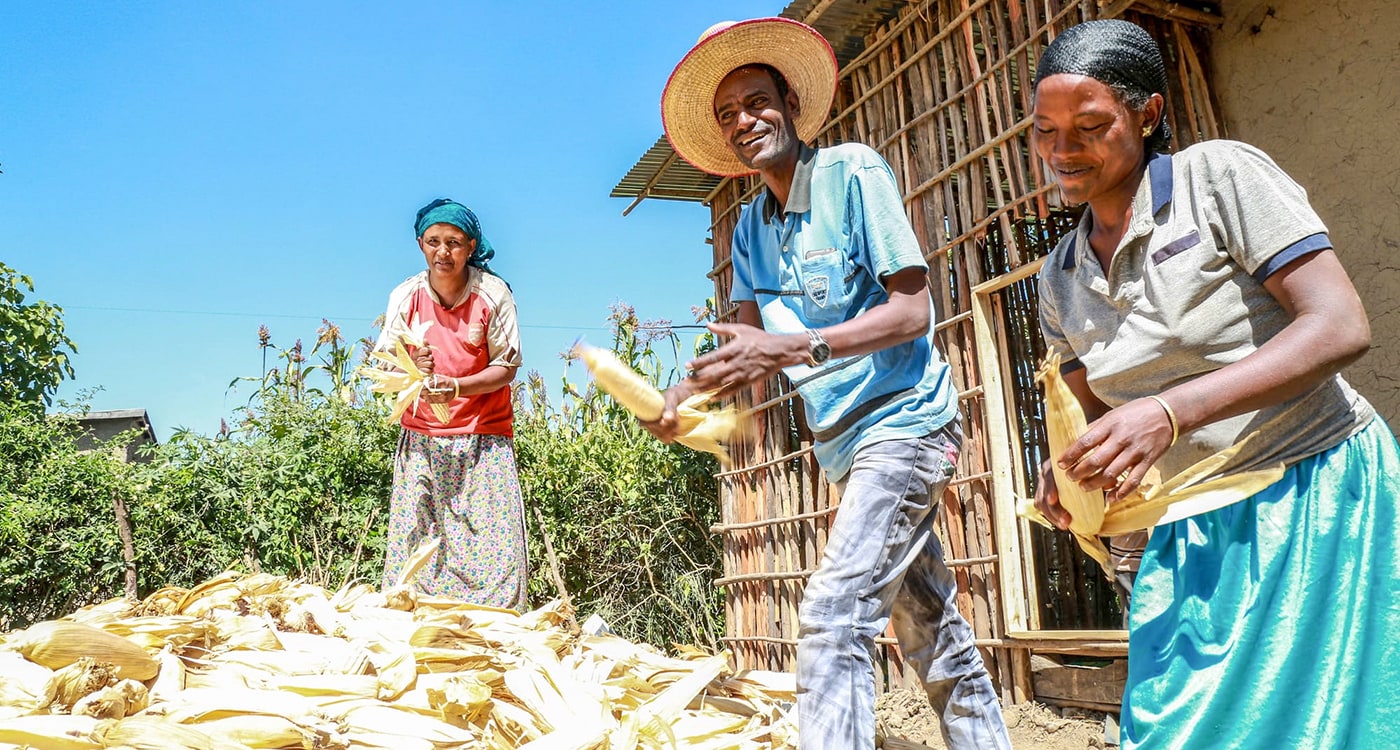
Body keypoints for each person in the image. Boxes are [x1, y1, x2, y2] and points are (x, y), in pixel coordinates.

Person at [1028, 19, 1400, 747]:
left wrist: (1169, 412)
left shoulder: (1218, 178)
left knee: (1326, 725)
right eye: (1045, 130)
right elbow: (1095, 412)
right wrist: (1075, 471)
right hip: (1190, 526)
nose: (1062, 152)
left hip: (1312, 493)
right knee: (1175, 725)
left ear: (1148, 114)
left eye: (1090, 126)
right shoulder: (1060, 277)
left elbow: (1338, 324)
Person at [649, 18, 1010, 750]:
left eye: (756, 101)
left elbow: (912, 312)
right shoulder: (749, 227)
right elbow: (748, 348)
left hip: (907, 424)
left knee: (833, 613)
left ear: (789, 102)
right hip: (845, 448)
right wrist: (690, 397)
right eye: (728, 116)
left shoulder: (852, 173)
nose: (745, 121)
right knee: (930, 628)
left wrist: (796, 344)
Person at [373, 198, 527, 609]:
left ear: (472, 246)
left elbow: (507, 366)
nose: (444, 253)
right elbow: (385, 360)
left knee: (490, 545)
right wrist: (411, 361)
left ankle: (491, 629)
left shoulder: (492, 295)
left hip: (482, 436)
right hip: (423, 437)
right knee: (418, 545)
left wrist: (457, 387)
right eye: (434, 242)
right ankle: (416, 626)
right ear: (421, 244)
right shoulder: (405, 296)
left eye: (455, 243)